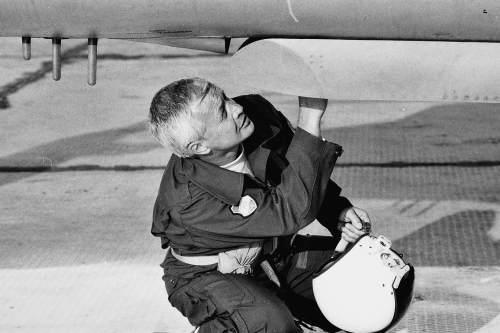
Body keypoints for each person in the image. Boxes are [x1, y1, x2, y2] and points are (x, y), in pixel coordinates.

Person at [148, 77, 371, 333]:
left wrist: (336, 211)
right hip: (211, 277)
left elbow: (297, 172)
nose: (237, 108)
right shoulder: (189, 203)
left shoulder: (256, 114)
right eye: (223, 113)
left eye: (224, 97)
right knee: (267, 321)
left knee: (369, 277)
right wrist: (309, 120)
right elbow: (288, 211)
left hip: (272, 257)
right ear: (199, 146)